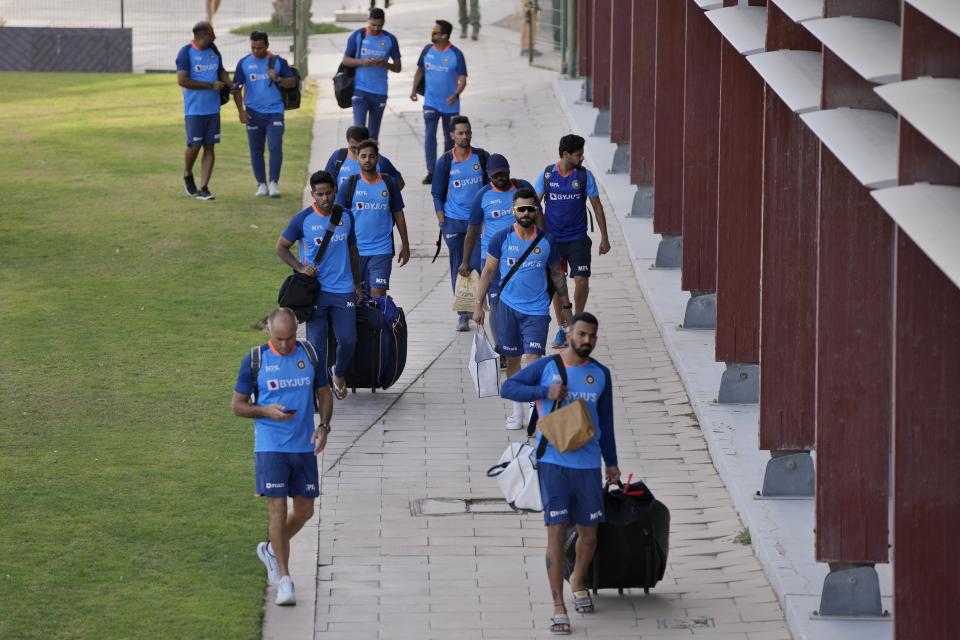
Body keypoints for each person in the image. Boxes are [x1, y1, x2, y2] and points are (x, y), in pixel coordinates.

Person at [500, 312, 620, 635]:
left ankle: (578, 579)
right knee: (555, 532)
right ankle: (558, 606)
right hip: (553, 463)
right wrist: (543, 392)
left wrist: (611, 463)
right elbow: (508, 388)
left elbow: (605, 424)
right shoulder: (548, 367)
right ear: (568, 334)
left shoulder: (601, 375)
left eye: (592, 336)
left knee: (590, 534)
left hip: (588, 466)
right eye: (581, 335)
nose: (587, 341)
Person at [231, 307, 330, 607]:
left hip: (303, 445)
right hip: (270, 446)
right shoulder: (255, 360)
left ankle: (272, 548)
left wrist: (323, 426)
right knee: (276, 508)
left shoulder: (309, 355)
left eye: (289, 339)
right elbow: (238, 405)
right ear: (269, 333)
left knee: (304, 511)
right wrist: (265, 410)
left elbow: (324, 393)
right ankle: (285, 580)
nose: (284, 345)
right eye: (278, 339)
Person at [474, 188, 571, 429]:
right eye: (521, 209)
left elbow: (557, 275)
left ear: (536, 211)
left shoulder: (547, 241)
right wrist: (478, 305)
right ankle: (516, 412)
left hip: (537, 311)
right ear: (513, 211)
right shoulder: (501, 238)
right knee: (514, 360)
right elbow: (488, 272)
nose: (526, 213)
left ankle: (532, 411)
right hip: (507, 308)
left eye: (530, 208)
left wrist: (566, 305)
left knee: (534, 359)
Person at [276, 171, 363, 400]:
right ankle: (321, 389)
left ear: (335, 190)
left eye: (328, 193)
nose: (325, 198)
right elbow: (281, 247)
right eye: (320, 194)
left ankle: (339, 373)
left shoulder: (346, 216)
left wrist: (357, 284)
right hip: (316, 293)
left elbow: (353, 251)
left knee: (348, 339)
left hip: (344, 289)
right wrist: (299, 268)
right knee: (317, 346)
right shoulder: (303, 219)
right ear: (312, 194)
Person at [535, 134, 611, 349]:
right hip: (554, 242)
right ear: (566, 155)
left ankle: (577, 320)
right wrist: (536, 237)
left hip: (578, 239)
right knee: (558, 287)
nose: (583, 158)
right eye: (579, 154)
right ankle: (563, 328)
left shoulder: (584, 176)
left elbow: (597, 206)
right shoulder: (547, 175)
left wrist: (604, 238)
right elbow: (534, 204)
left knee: (581, 281)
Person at [463, 154, 538, 356]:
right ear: (488, 175)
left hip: (522, 256)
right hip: (492, 259)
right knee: (496, 303)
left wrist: (545, 243)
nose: (500, 178)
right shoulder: (482, 196)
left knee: (521, 298)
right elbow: (472, 231)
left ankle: (522, 337)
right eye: (495, 175)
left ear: (509, 171)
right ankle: (502, 348)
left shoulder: (523, 189)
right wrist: (465, 262)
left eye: (503, 174)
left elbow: (538, 218)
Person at [431, 115, 489, 331]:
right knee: (460, 268)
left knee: (475, 264)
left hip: (478, 223)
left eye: (468, 132)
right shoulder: (445, 161)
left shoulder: (481, 157)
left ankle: (477, 306)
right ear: (452, 135)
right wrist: (442, 220)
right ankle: (463, 314)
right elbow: (437, 193)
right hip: (454, 223)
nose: (465, 136)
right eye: (460, 133)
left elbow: (492, 185)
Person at [334, 139, 410, 298]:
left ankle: (380, 319)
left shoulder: (389, 183)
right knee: (359, 297)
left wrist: (406, 244)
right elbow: (336, 218)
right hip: (355, 252)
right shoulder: (350, 184)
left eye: (371, 156)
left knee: (377, 298)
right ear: (357, 157)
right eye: (363, 156)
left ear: (377, 158)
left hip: (382, 250)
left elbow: (399, 214)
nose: (367, 160)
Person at [233, 31, 298, 198]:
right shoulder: (244, 63)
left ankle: (274, 183)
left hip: (275, 111)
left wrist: (278, 79)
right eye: (253, 48)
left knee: (275, 146)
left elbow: (292, 82)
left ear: (267, 46)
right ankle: (261, 184)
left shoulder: (278, 62)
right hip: (253, 113)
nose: (256, 51)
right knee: (256, 150)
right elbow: (236, 88)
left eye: (260, 48)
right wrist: (241, 111)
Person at [176, 21, 233, 201]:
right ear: (202, 36)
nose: (214, 37)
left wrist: (231, 85)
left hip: (212, 109)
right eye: (211, 35)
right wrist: (210, 85)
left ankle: (204, 188)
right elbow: (182, 80)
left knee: (210, 146)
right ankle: (187, 173)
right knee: (194, 146)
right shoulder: (186, 53)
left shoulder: (214, 51)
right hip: (194, 110)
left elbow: (221, 71)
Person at [410, 20, 467, 185]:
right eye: (433, 30)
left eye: (436, 31)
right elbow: (420, 71)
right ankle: (431, 171)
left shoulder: (456, 54)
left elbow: (462, 79)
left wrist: (456, 94)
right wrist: (413, 90)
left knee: (450, 139)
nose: (433, 33)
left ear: (444, 36)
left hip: (450, 105)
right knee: (429, 136)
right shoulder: (427, 50)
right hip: (431, 102)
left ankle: (446, 170)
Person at [341, 8, 401, 141]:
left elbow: (398, 67)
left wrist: (385, 64)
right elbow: (345, 60)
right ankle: (357, 161)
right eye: (373, 25)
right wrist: (362, 62)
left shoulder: (390, 39)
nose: (376, 28)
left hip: (380, 92)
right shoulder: (358, 36)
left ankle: (372, 160)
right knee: (358, 133)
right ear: (368, 21)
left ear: (384, 23)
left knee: (373, 136)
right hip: (360, 90)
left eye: (379, 25)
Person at [324, 125, 405, 191]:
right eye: (353, 148)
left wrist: (384, 199)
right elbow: (326, 184)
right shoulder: (338, 157)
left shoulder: (381, 162)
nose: (357, 152)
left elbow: (400, 183)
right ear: (348, 143)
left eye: (361, 148)